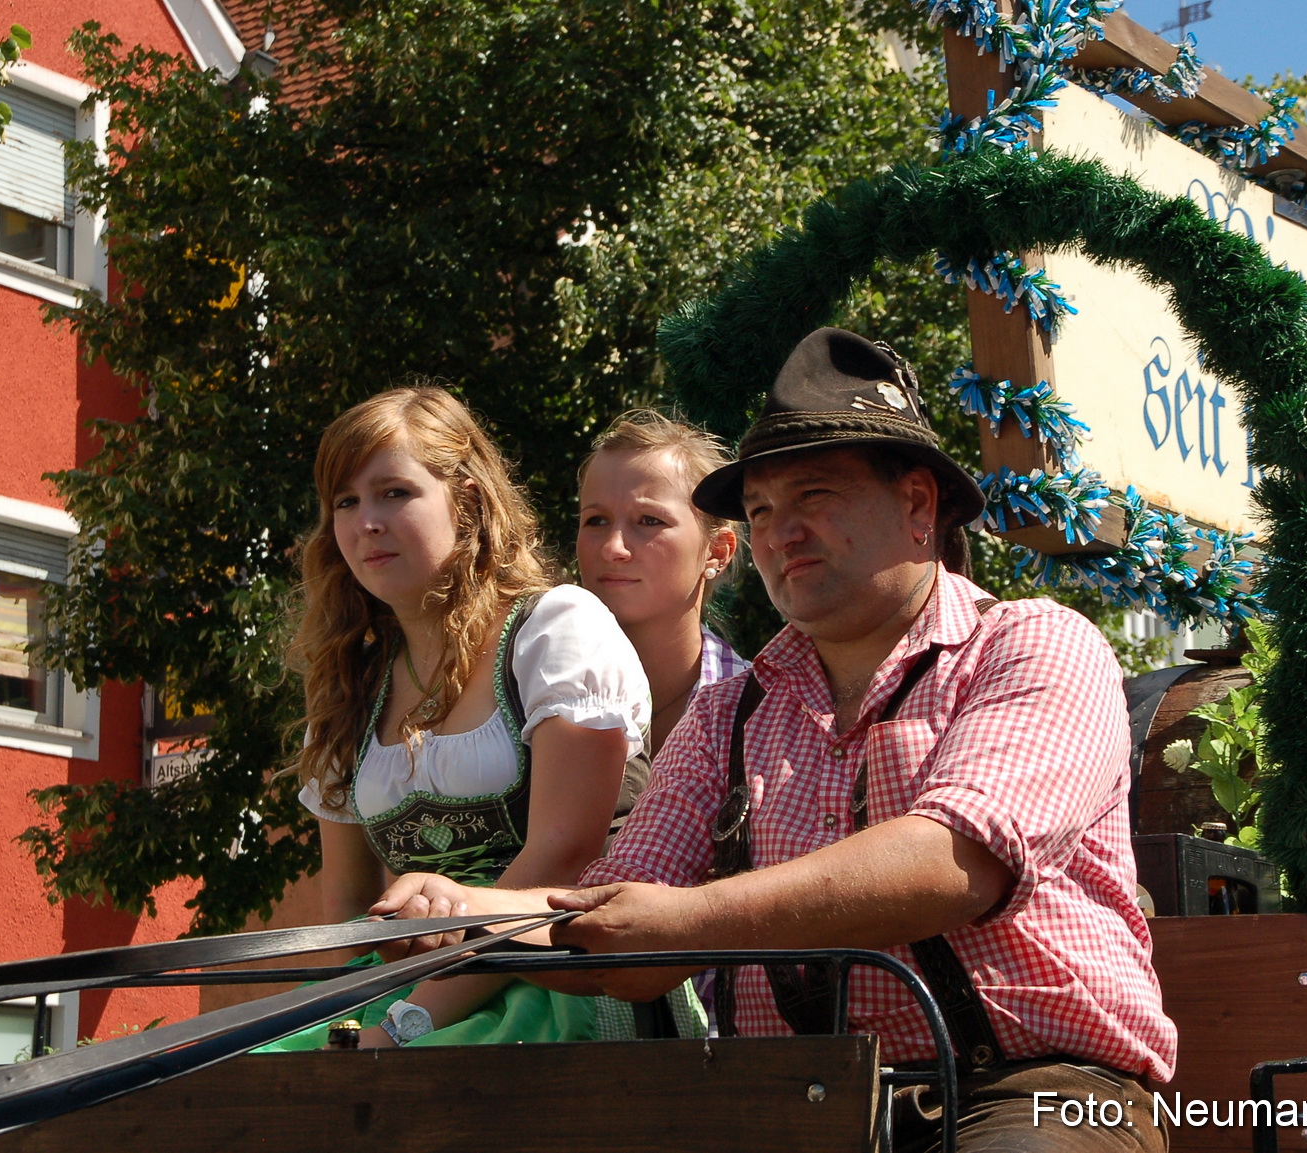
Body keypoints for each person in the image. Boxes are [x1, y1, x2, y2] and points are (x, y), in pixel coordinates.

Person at [375, 329, 1176, 1150]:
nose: (780, 530)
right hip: (791, 1108)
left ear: (918, 506)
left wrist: (683, 921)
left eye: (816, 496)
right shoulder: (726, 716)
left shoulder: (1033, 643)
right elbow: (610, 925)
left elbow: (950, 864)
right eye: (760, 509)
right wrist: (472, 913)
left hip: (1030, 1092)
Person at [266, 385, 698, 1050]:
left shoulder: (554, 629)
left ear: (467, 499)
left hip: (559, 986)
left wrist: (406, 1025)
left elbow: (565, 858)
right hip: (403, 999)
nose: (365, 521)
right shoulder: (350, 683)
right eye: (345, 502)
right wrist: (356, 1027)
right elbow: (353, 913)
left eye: (394, 492)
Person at [575, 410, 749, 759]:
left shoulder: (759, 713)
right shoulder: (524, 687)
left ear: (717, 551)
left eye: (649, 520)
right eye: (596, 520)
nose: (613, 548)